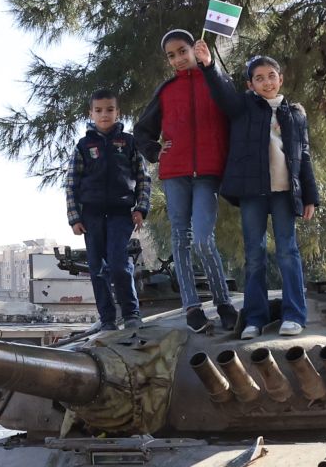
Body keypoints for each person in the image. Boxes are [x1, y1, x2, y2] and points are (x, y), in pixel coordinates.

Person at [195, 41, 319, 338]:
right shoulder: (243, 108)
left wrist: (311, 197)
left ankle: (294, 315)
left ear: (281, 79)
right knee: (255, 254)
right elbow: (222, 93)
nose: (266, 82)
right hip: (252, 192)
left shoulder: (295, 114)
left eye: (271, 76)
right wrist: (209, 65)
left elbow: (304, 157)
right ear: (250, 84)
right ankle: (255, 318)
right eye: (259, 78)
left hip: (284, 193)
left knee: (288, 251)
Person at [135, 29, 238, 332]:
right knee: (181, 239)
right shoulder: (166, 91)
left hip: (208, 172)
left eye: (183, 51)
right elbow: (142, 132)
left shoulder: (215, 81)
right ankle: (191, 306)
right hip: (175, 173)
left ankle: (223, 303)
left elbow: (233, 108)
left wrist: (211, 67)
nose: (178, 59)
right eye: (171, 55)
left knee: (205, 239)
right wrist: (156, 150)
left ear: (195, 48)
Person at [64, 87, 151, 331]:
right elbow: (71, 183)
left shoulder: (128, 143)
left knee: (118, 262)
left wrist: (141, 208)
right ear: (91, 113)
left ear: (118, 112)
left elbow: (143, 178)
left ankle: (131, 313)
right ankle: (107, 318)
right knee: (97, 267)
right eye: (99, 110)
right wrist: (74, 217)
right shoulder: (83, 146)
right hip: (91, 215)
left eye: (110, 110)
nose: (105, 115)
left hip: (120, 212)